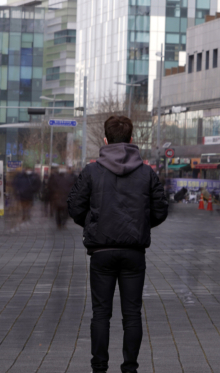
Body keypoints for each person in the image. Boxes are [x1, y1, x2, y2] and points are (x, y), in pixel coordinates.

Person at [68, 115, 168, 373]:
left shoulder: (91, 171)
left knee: (101, 313)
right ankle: (130, 368)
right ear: (132, 140)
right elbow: (160, 210)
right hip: (134, 252)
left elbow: (75, 206)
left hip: (102, 251)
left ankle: (99, 368)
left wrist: (94, 225)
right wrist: (140, 225)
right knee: (132, 314)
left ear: (105, 140)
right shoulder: (147, 173)